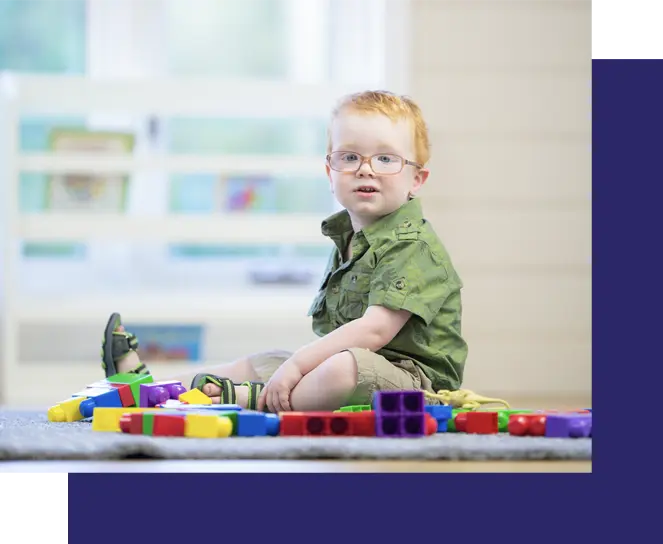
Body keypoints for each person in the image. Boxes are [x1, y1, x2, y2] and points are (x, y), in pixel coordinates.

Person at [100, 90, 469, 414]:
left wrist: (298, 366)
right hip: (352, 363)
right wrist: (291, 365)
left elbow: (374, 331)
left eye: (386, 159)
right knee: (264, 361)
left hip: (413, 384)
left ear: (416, 180)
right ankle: (153, 388)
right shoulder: (350, 238)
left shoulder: (412, 244)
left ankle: (248, 399)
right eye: (350, 157)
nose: (365, 170)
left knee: (339, 368)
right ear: (330, 172)